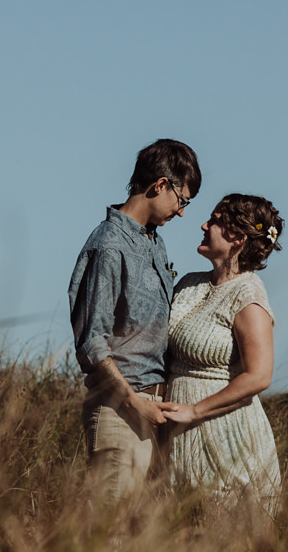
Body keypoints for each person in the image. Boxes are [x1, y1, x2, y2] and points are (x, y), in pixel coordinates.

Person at [68, 138, 200, 507]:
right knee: (109, 536)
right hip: (119, 411)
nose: (183, 211)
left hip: (156, 409)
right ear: (160, 185)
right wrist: (133, 402)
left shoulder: (154, 242)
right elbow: (92, 343)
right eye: (182, 200)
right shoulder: (109, 245)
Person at [162, 193, 284, 515]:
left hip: (227, 433)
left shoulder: (249, 295)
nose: (204, 224)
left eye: (215, 221)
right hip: (178, 431)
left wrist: (195, 411)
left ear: (238, 238)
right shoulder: (189, 283)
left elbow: (259, 375)